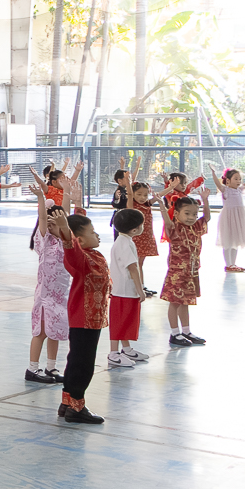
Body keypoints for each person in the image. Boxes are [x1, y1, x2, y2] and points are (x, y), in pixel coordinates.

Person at [60, 214, 111, 425]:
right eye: (92, 232)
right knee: (83, 364)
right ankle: (77, 407)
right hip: (84, 317)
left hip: (93, 317)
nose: (97, 235)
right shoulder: (80, 258)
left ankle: (67, 403)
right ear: (79, 240)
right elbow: (71, 250)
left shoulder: (93, 255)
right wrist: (66, 233)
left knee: (76, 360)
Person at [25, 172, 72, 384]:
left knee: (56, 331)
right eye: (55, 222)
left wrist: (67, 192)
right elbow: (43, 218)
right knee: (42, 332)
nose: (59, 226)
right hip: (46, 296)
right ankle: (32, 369)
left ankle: (51, 367)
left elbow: (66, 213)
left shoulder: (64, 240)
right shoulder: (45, 240)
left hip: (61, 295)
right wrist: (41, 198)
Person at [160, 190, 212, 345]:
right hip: (177, 272)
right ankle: (174, 333)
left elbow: (207, 217)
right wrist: (161, 205)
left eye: (194, 214)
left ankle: (186, 331)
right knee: (175, 302)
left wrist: (205, 200)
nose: (191, 217)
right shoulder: (174, 228)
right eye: (187, 213)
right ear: (177, 213)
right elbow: (167, 221)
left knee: (185, 302)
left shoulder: (196, 227)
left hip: (192, 271)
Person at [107, 208, 148, 367]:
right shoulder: (124, 244)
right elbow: (133, 268)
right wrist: (140, 289)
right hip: (124, 291)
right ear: (134, 229)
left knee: (124, 321)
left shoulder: (124, 241)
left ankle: (126, 349)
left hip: (123, 289)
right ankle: (113, 353)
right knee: (120, 321)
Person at [209, 164, 245, 272]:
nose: (239, 181)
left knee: (235, 241)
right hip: (228, 217)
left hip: (239, 217)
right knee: (227, 240)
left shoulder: (240, 190)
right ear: (228, 180)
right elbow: (217, 183)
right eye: (236, 179)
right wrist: (213, 172)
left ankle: (233, 264)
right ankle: (228, 264)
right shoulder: (225, 190)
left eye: (240, 179)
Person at [129, 181, 158, 294]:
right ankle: (136, 287)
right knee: (134, 263)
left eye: (145, 195)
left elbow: (159, 195)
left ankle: (141, 286)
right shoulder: (131, 205)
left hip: (146, 238)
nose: (142, 197)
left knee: (140, 263)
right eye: (139, 194)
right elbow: (129, 194)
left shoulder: (147, 204)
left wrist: (171, 187)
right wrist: (127, 182)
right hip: (136, 238)